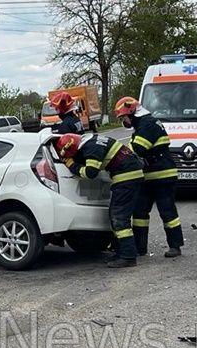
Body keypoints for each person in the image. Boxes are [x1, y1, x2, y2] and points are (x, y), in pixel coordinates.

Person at [54, 132, 144, 268]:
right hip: (130, 175)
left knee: (119, 218)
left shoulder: (91, 148)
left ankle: (128, 256)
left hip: (126, 178)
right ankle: (121, 252)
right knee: (116, 217)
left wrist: (71, 165)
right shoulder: (93, 140)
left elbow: (90, 173)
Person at [114, 96, 184, 258]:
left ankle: (175, 246)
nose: (124, 121)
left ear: (132, 112)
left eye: (124, 117)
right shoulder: (142, 125)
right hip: (147, 176)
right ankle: (140, 247)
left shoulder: (148, 124)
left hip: (163, 175)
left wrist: (119, 156)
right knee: (139, 213)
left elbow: (137, 148)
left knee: (167, 212)